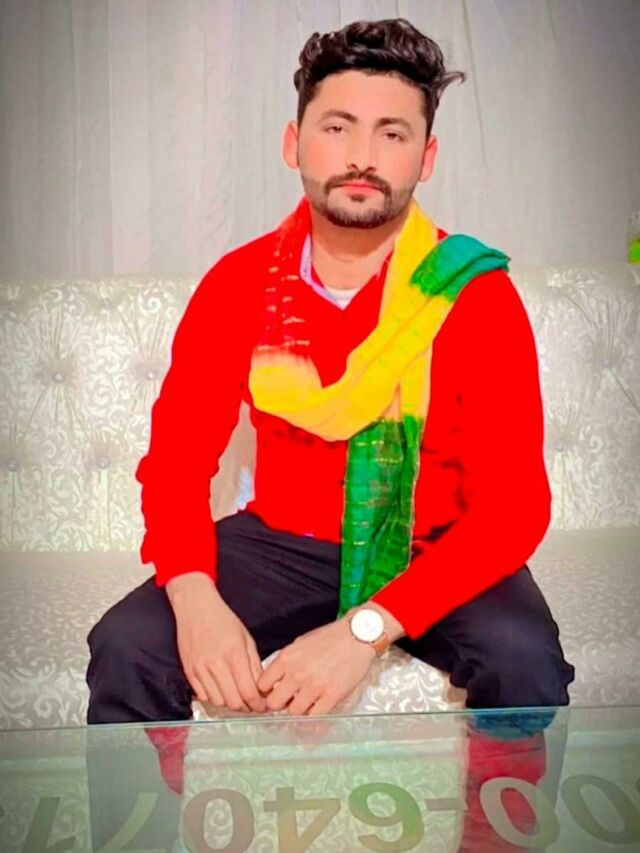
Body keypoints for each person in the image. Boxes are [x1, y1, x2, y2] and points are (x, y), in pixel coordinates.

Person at [86, 16, 574, 728]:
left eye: (392, 134)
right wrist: (194, 599)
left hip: (432, 544)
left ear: (427, 157)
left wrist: (364, 630)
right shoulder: (238, 284)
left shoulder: (473, 293)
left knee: (522, 657)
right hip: (283, 542)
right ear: (294, 143)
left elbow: (513, 508)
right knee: (128, 644)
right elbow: (176, 466)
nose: (362, 157)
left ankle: (498, 809)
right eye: (338, 127)